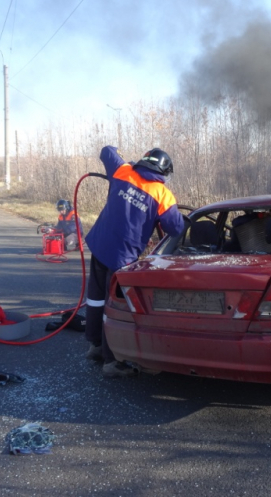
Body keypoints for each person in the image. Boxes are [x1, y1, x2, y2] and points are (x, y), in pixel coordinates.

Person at [84, 146, 185, 377]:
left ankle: (94, 346)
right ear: (164, 171)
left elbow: (106, 150)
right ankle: (111, 363)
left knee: (96, 298)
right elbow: (176, 228)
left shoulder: (123, 170)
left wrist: (123, 157)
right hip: (122, 257)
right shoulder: (162, 194)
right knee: (114, 306)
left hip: (99, 245)